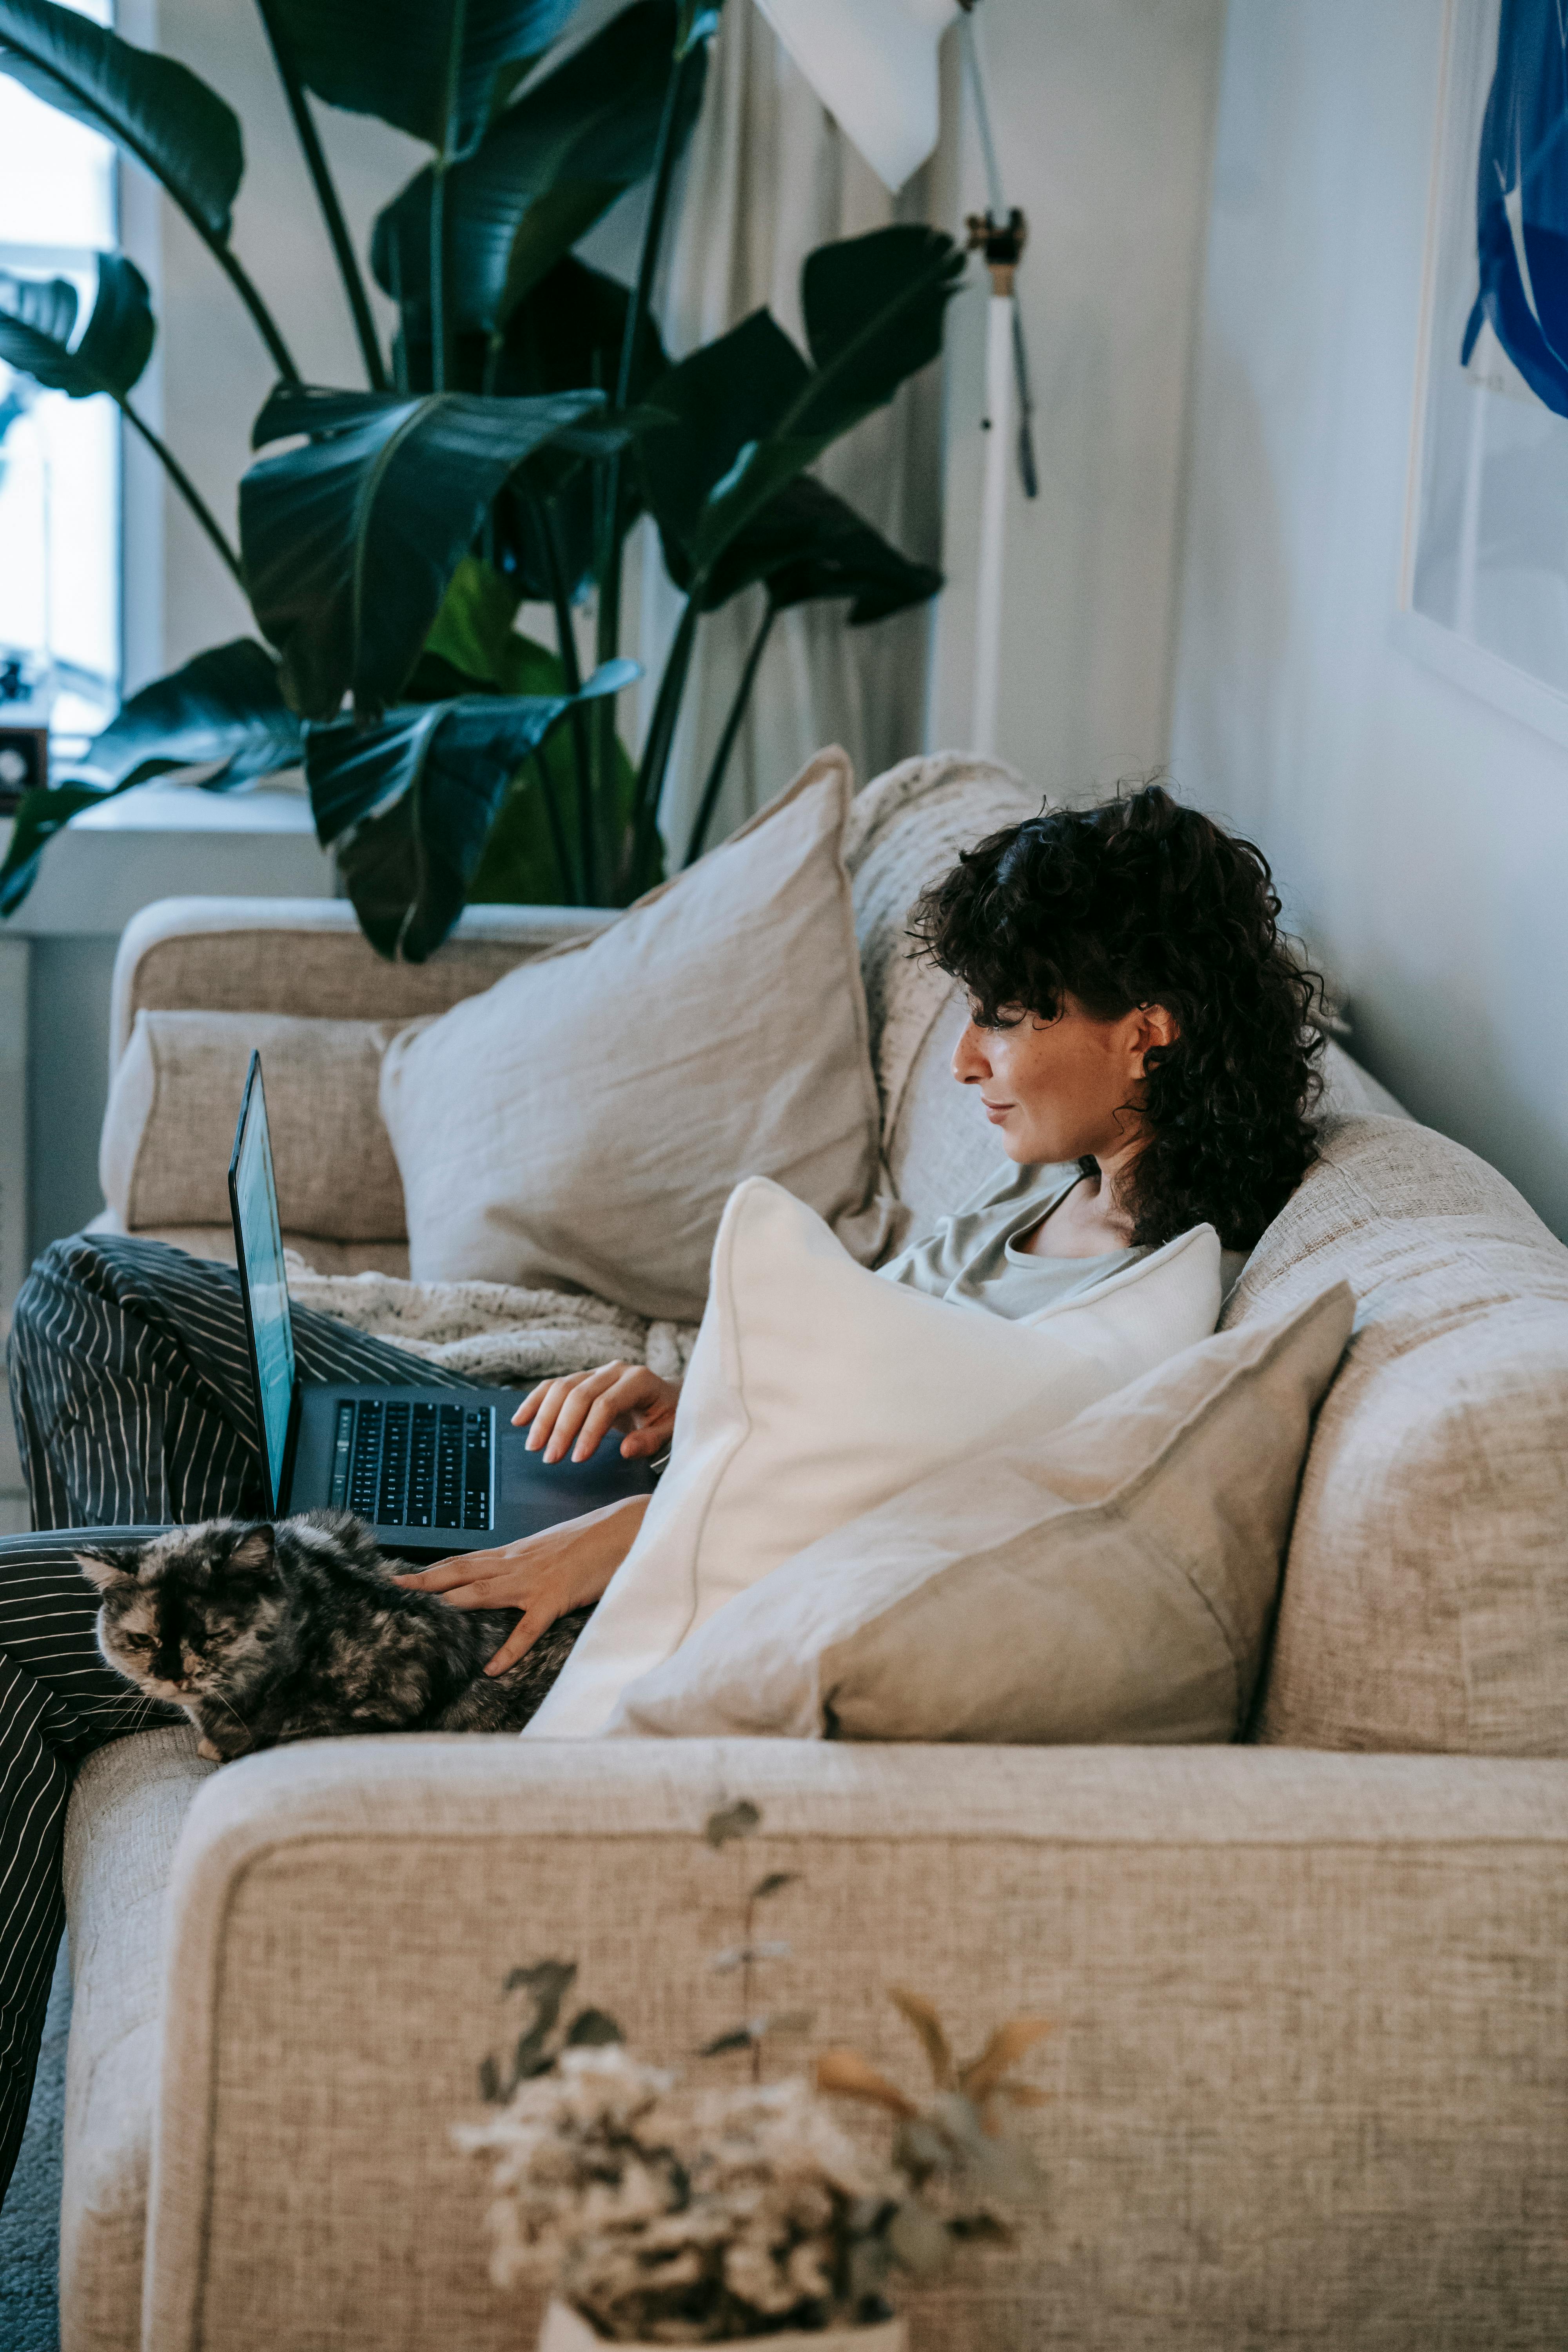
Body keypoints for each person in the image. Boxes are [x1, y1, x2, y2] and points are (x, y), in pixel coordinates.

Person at [0, 782, 1322, 2198]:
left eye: (1011, 1019)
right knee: (95, 1289)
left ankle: (223, 1668)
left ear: (1149, 1027)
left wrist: (638, 1532)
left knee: (17, 1623)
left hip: (627, 1580)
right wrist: (693, 1403)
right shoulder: (1041, 1192)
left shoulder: (1153, 1316)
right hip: (641, 1483)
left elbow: (925, 1529)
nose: (969, 1064)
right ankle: (220, 1669)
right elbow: (854, 1387)